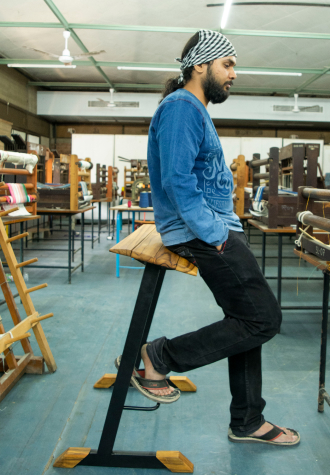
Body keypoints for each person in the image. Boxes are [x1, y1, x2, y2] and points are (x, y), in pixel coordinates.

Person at [119, 29, 299, 446]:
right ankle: (159, 356)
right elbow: (178, 180)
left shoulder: (193, 108)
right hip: (202, 231)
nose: (234, 73)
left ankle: (248, 421)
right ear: (200, 65)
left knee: (247, 318)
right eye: (227, 64)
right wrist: (215, 234)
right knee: (264, 319)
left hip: (213, 228)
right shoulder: (182, 107)